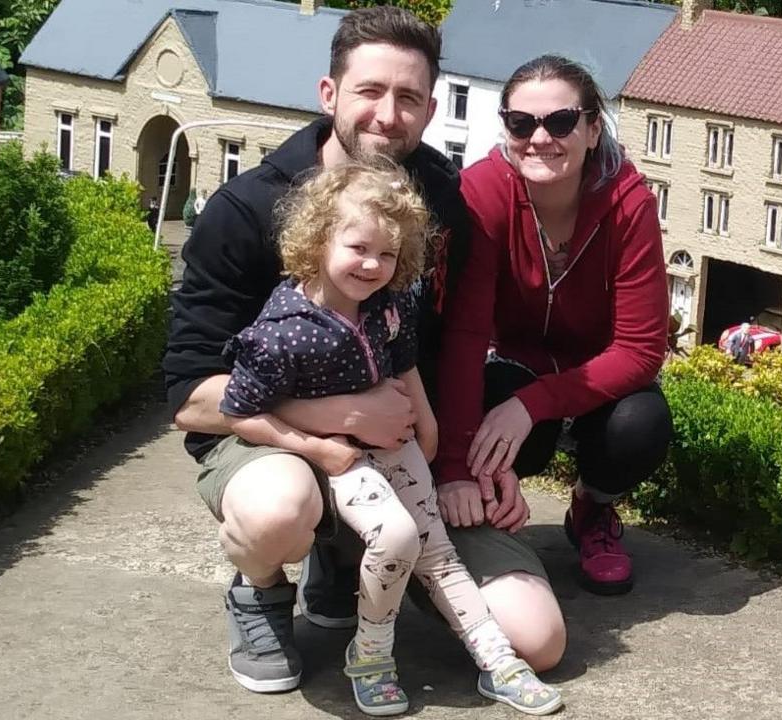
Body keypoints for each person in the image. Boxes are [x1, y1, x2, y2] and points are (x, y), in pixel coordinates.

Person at [162, 6, 566, 699]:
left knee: (538, 638)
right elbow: (192, 399)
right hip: (271, 445)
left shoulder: (440, 202)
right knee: (278, 509)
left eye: (408, 98)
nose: (388, 114)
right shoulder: (245, 212)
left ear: (430, 109)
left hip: (400, 448)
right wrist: (346, 416)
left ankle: (348, 558)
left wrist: (466, 461)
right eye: (370, 91)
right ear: (330, 95)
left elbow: (454, 347)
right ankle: (261, 588)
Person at [220, 162, 561, 716]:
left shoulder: (389, 303)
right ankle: (371, 655)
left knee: (439, 552)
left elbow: (403, 365)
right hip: (343, 456)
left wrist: (427, 423)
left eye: (388, 254)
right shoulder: (282, 330)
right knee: (398, 537)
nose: (373, 265)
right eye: (358, 248)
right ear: (317, 237)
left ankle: (498, 659)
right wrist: (318, 449)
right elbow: (241, 413)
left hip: (398, 443)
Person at [436, 55, 674, 596]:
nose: (540, 138)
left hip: (600, 375)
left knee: (640, 424)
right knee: (494, 416)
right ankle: (499, 510)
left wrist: (535, 403)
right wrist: (454, 463)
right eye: (521, 123)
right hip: (516, 364)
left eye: (561, 122)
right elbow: (465, 335)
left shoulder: (628, 202)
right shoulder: (484, 193)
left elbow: (641, 349)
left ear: (593, 129)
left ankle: (593, 509)